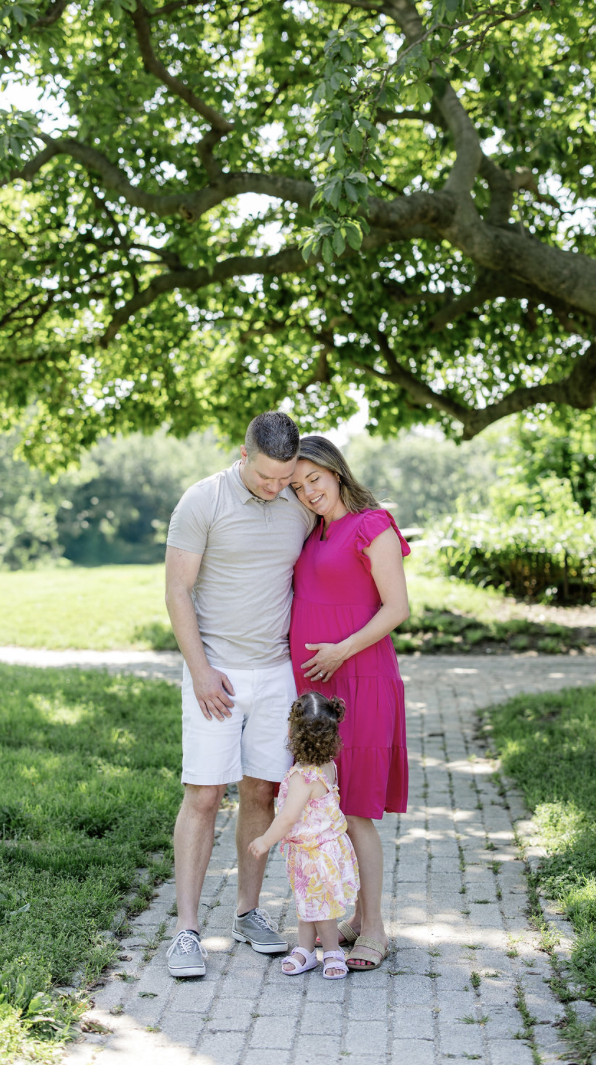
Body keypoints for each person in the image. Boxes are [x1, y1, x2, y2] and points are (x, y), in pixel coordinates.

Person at [164, 412, 314, 977]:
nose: (276, 488)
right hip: (216, 671)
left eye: (285, 477)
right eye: (266, 477)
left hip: (276, 673)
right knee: (203, 796)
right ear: (242, 454)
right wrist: (200, 671)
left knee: (261, 793)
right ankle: (185, 930)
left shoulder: (296, 503)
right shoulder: (202, 501)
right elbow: (177, 590)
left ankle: (248, 914)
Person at [289, 435, 411, 971]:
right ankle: (350, 918)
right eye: (297, 486)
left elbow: (397, 608)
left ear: (336, 471)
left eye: (314, 478)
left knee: (357, 808)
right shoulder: (314, 532)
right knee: (326, 804)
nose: (309, 491)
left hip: (361, 678)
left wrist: (340, 651)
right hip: (318, 690)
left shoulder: (372, 524)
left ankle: (375, 929)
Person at [248, 691, 359, 980]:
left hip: (314, 853)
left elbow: (286, 818)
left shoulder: (302, 777)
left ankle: (332, 950)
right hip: (325, 848)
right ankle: (306, 949)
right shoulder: (328, 767)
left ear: (292, 732)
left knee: (320, 906)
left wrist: (264, 841)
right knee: (308, 902)